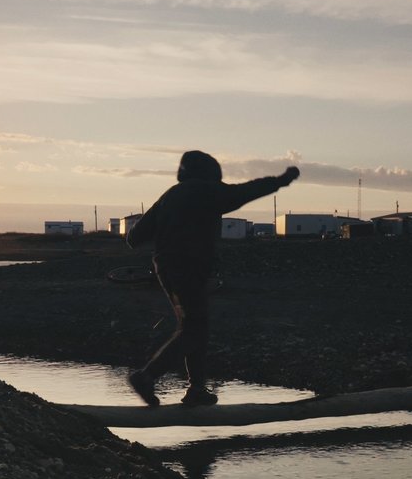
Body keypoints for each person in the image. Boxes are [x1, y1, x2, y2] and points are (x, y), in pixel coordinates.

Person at [127, 151, 299, 407]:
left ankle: (196, 389)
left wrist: (168, 229)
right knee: (194, 329)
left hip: (165, 267)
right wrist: (281, 180)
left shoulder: (170, 195)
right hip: (189, 267)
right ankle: (147, 376)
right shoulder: (206, 191)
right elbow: (246, 191)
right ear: (210, 173)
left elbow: (134, 238)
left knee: (194, 327)